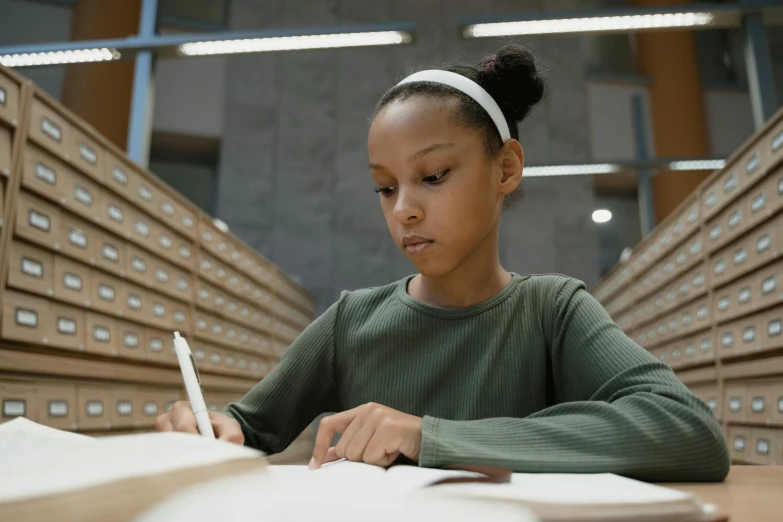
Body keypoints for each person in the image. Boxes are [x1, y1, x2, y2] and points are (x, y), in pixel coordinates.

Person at [156, 45, 730, 482]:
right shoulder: (350, 321)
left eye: (432, 177)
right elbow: (249, 427)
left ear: (505, 169)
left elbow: (689, 430)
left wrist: (429, 437)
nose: (404, 210)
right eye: (385, 188)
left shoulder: (551, 311)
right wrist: (212, 430)